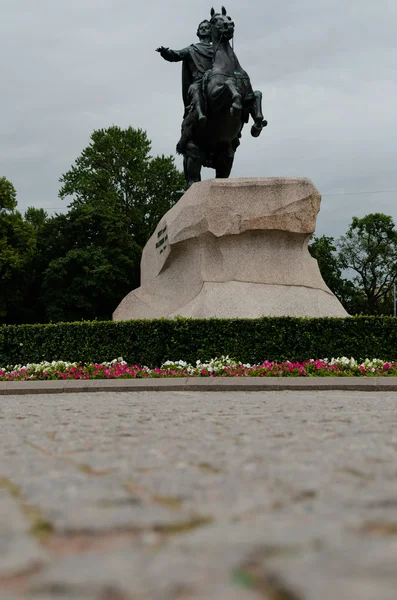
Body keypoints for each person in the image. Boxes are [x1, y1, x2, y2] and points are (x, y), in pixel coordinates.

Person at [156, 20, 213, 125]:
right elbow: (177, 54)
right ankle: (200, 114)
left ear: (211, 31)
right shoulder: (192, 49)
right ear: (198, 33)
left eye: (207, 27)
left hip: (215, 80)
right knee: (194, 88)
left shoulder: (218, 50)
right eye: (202, 28)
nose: (204, 29)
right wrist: (165, 53)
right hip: (199, 82)